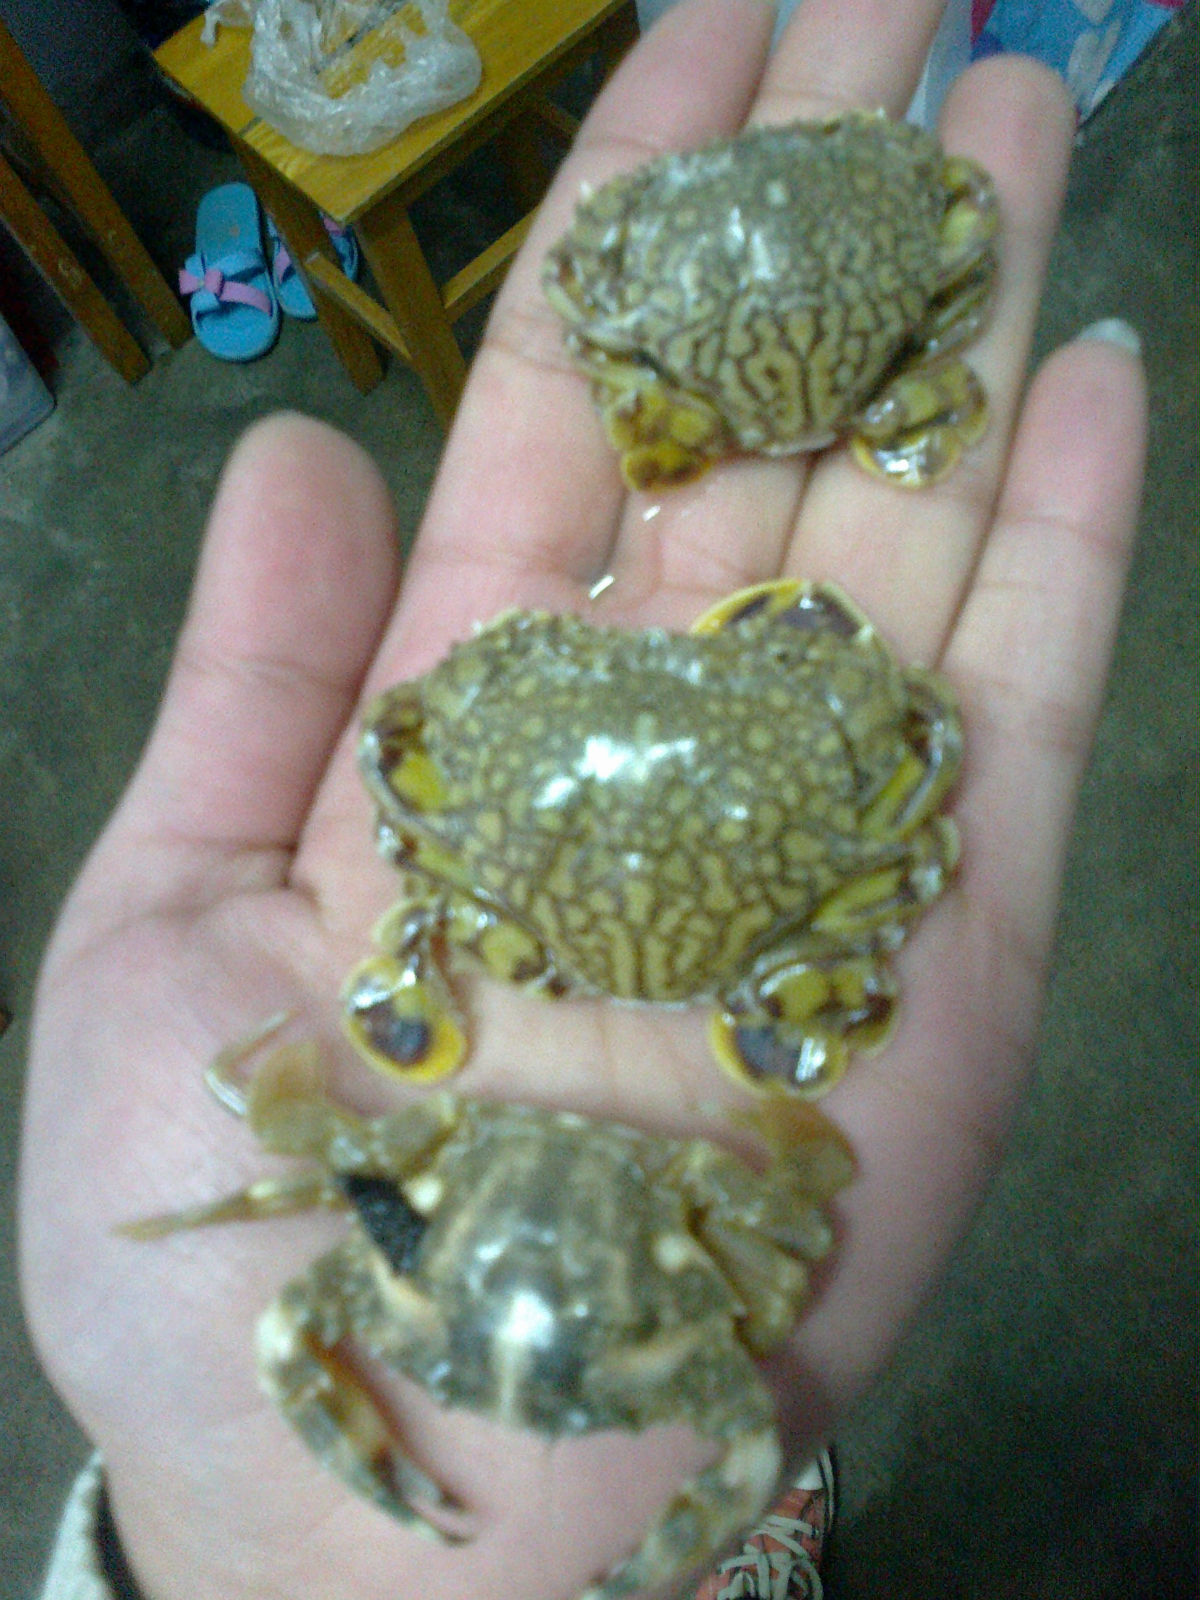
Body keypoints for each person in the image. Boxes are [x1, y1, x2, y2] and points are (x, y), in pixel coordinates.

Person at [19, 1, 1147, 1596]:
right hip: (757, 1020)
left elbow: (409, 772)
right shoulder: (851, 754)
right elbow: (908, 815)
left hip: (508, 997)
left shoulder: (444, 837)